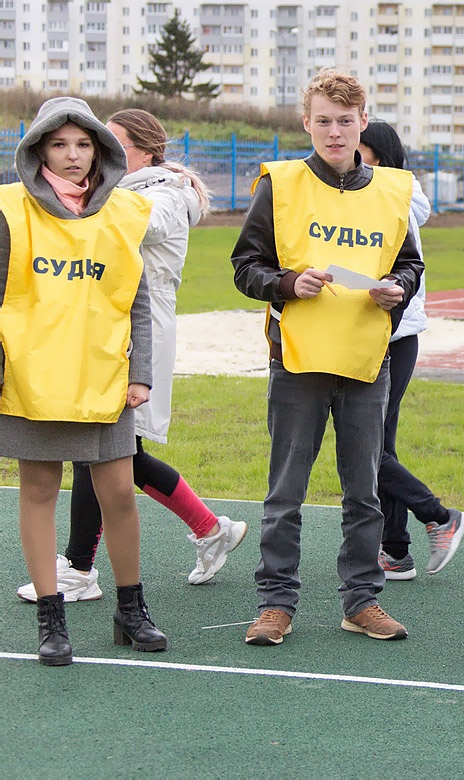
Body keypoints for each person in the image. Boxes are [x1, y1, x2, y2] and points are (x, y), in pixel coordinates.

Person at [13, 109, 247, 605]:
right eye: (64, 145)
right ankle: (205, 530)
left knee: (114, 457)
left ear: (137, 152)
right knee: (106, 456)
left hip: (134, 334)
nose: (81, 155)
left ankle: (85, 565)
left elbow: (139, 229)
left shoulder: (159, 194)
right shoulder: (121, 194)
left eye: (99, 144)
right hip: (88, 334)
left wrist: (94, 201)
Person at [231, 69, 423, 646]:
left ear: (363, 122)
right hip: (297, 359)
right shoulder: (282, 184)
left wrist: (399, 286)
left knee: (363, 490)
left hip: (368, 360)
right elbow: (246, 267)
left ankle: (361, 601)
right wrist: (288, 284)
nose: (334, 133)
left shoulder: (394, 190)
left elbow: (411, 263)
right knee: (285, 490)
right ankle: (275, 604)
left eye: (345, 121)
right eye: (323, 122)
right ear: (306, 122)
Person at [0, 97, 167, 665]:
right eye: (59, 144)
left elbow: (137, 302)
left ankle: (130, 609)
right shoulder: (11, 210)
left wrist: (141, 372)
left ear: (100, 148)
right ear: (38, 149)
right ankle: (52, 620)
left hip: (105, 377)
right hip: (33, 380)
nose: (73, 156)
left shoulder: (123, 213)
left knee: (119, 492)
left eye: (83, 144)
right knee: (40, 491)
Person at [358, 120, 464, 582]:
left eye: (358, 150)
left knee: (365, 446)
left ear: (378, 157)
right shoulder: (396, 193)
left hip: (389, 334)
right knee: (379, 443)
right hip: (392, 335)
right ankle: (395, 548)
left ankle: (439, 516)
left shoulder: (386, 197)